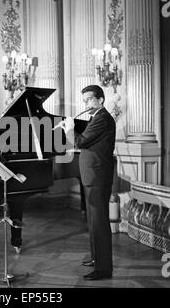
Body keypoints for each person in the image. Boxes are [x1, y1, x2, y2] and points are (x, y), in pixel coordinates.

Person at [61, 85, 116, 281]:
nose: (86, 103)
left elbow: (81, 142)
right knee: (93, 222)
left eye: (89, 99)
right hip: (93, 175)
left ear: (100, 100)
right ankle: (96, 258)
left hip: (98, 177)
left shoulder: (102, 118)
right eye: (84, 100)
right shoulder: (96, 118)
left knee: (99, 223)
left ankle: (103, 269)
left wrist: (69, 129)